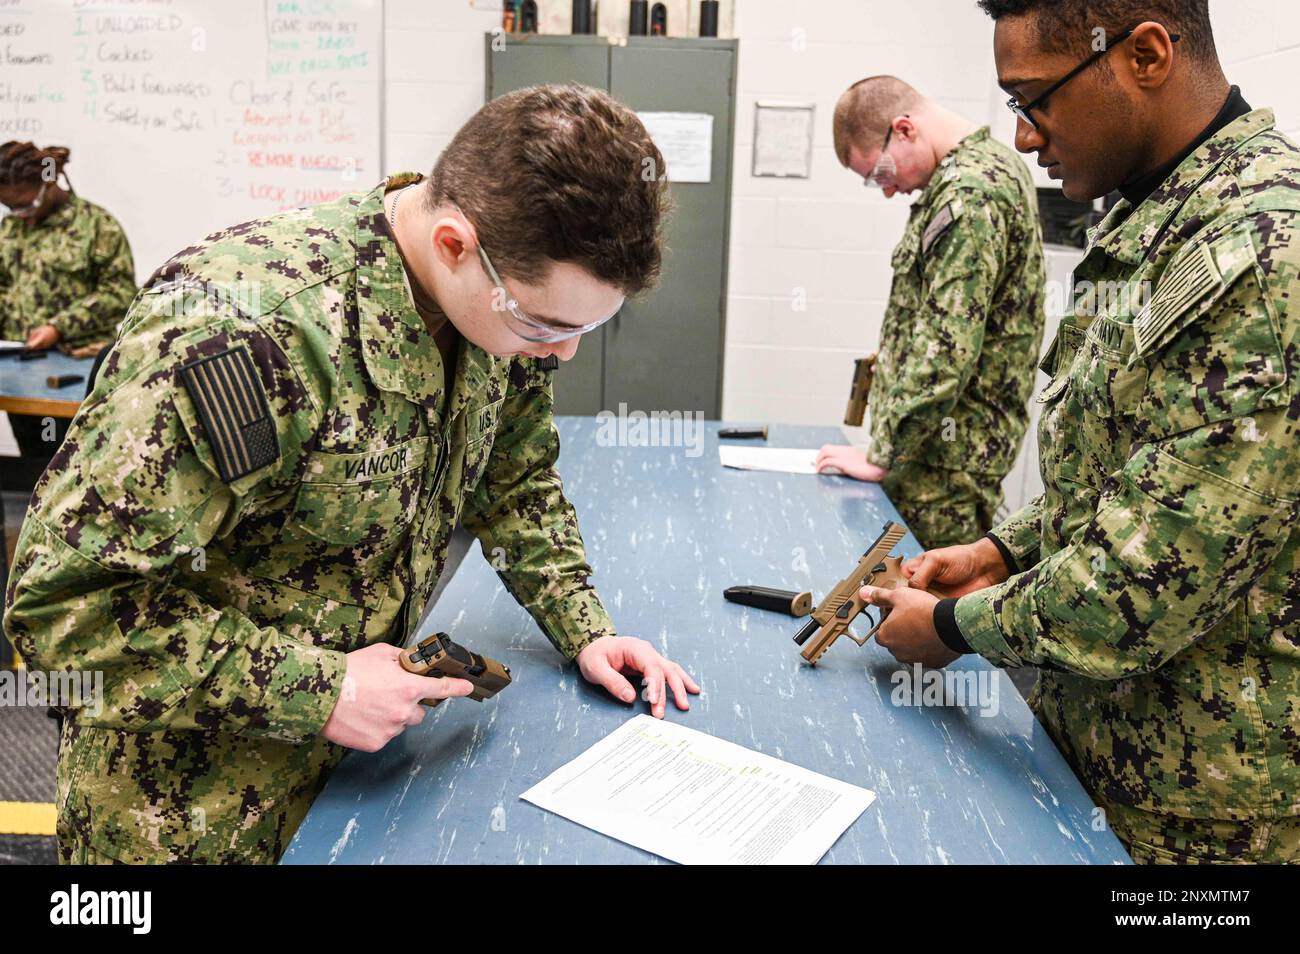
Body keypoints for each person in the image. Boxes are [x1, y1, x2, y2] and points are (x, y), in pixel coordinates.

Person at [4, 84, 699, 864]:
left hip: (360, 779)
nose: (563, 353)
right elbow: (63, 611)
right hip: (189, 813)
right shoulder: (245, 336)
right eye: (546, 324)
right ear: (453, 243)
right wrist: (316, 688)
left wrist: (586, 628)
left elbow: (514, 481)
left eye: (589, 329)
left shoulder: (496, 314)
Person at [864, 0, 1300, 864]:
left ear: (1144, 56)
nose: (1025, 139)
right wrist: (1001, 549)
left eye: (1035, 101)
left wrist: (953, 626)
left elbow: (1146, 581)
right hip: (1098, 753)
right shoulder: (1162, 223)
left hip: (1201, 816)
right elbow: (1125, 473)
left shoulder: (1266, 251)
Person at [816, 77, 1046, 550]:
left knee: (919, 605)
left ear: (904, 129)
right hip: (934, 453)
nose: (885, 190)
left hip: (944, 464)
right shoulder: (969, 176)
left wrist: (882, 453)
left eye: (879, 173)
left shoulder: (970, 193)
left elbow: (947, 351)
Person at [0, 142, 136, 473]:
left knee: (76, 466)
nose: (23, 216)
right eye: (10, 207)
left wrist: (59, 327)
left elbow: (119, 294)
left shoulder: (97, 226)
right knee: (34, 465)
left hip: (77, 370)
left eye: (26, 205)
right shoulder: (11, 228)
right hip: (19, 370)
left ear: (49, 183)